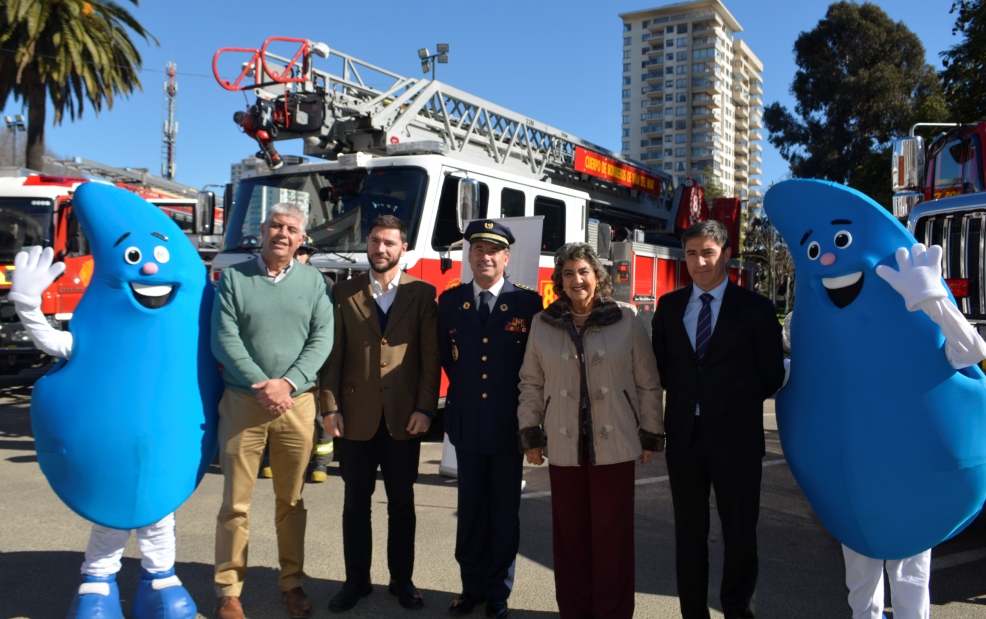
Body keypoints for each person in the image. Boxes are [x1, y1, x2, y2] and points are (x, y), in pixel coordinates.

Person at [517, 242, 665, 619]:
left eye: (583, 271)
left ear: (597, 276)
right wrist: (530, 433)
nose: (576, 279)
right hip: (564, 445)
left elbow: (649, 382)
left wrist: (650, 431)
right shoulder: (542, 322)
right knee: (570, 539)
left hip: (614, 445)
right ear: (560, 280)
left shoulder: (626, 319)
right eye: (568, 273)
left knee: (613, 538)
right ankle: (575, 611)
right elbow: (531, 384)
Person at [651, 219, 785, 619]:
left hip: (737, 439)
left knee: (740, 534)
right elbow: (661, 368)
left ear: (726, 253)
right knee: (688, 534)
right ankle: (693, 612)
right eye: (691, 253)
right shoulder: (670, 306)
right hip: (684, 440)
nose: (699, 261)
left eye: (707, 252)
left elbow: (772, 374)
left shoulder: (756, 309)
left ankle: (736, 610)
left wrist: (726, 402)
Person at [211, 203, 334, 619]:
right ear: (262, 231)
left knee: (292, 501)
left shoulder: (315, 282)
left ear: (302, 239)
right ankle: (229, 589)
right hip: (244, 401)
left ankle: (293, 581)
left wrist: (288, 383)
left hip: (297, 403)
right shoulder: (233, 278)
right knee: (235, 503)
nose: (283, 233)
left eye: (292, 229)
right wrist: (262, 384)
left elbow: (322, 339)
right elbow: (223, 337)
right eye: (276, 226)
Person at [320, 215, 441, 612]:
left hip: (404, 418)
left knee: (402, 504)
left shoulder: (423, 294)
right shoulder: (343, 292)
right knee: (355, 504)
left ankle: (402, 581)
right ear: (367, 244)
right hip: (354, 416)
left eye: (389, 243)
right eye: (375, 241)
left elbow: (429, 358)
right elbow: (332, 356)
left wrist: (426, 408)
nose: (381, 249)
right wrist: (330, 407)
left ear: (403, 248)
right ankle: (356, 581)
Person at [438, 220, 543, 618]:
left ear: (506, 257)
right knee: (470, 510)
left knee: (503, 512)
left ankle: (498, 590)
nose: (485, 257)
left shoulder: (528, 305)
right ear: (469, 255)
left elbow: (535, 367)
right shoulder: (451, 302)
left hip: (507, 426)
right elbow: (448, 359)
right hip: (467, 424)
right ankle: (470, 586)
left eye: (492, 251)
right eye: (477, 250)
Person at [258, 237, 335, 483]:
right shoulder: (273, 282)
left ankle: (320, 463)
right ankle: (272, 459)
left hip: (315, 360)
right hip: (282, 359)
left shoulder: (324, 283)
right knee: (276, 410)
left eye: (304, 253)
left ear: (309, 256)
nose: (299, 256)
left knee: (320, 413)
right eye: (297, 252)